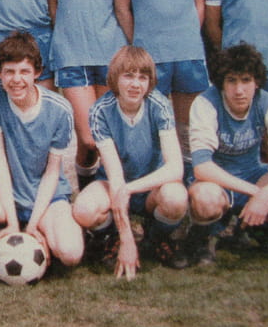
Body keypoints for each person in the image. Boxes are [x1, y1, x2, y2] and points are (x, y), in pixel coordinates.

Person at [0, 32, 84, 269]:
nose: (17, 79)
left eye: (24, 71)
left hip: (46, 195)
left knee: (71, 253)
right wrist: (14, 224)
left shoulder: (60, 109)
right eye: (9, 72)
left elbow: (52, 172)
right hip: (2, 191)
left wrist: (33, 225)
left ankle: (42, 235)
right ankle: (3, 233)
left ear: (37, 72)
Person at [113, 0, 209, 179]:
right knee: (151, 122)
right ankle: (151, 180)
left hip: (188, 54)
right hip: (151, 56)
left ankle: (190, 178)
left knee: (187, 124)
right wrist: (139, 44)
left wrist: (188, 36)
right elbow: (123, 9)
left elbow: (199, 5)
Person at [72, 46, 189, 280]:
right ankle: (112, 237)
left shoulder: (159, 105)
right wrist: (126, 239)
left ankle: (157, 237)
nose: (136, 84)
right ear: (115, 78)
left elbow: (175, 168)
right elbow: (116, 178)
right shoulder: (100, 111)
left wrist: (131, 188)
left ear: (150, 82)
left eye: (142, 77)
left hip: (151, 187)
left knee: (176, 197)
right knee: (83, 209)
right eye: (128, 76)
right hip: (115, 184)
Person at [187, 43, 268, 264]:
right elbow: (202, 166)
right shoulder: (206, 102)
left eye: (246, 80)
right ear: (221, 82)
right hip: (218, 182)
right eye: (231, 81)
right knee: (206, 199)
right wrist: (258, 194)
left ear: (257, 82)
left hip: (255, 175)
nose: (239, 90)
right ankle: (204, 235)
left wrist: (266, 193)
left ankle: (260, 227)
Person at [45, 0, 127, 190]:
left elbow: (123, 6)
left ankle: (96, 198)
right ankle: (92, 190)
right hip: (72, 56)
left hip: (110, 56)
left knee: (106, 137)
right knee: (90, 137)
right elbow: (55, 7)